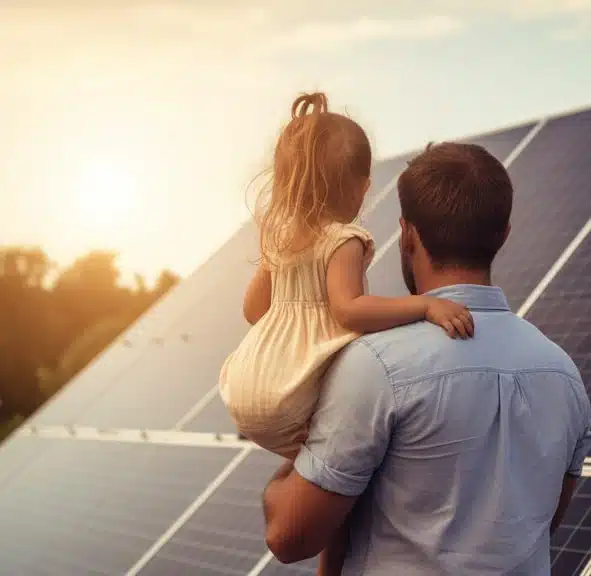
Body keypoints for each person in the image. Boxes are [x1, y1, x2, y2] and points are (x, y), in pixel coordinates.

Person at [261, 140, 591, 576]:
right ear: (504, 234)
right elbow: (542, 525)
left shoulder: (376, 366)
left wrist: (288, 464)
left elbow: (289, 536)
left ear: (408, 233)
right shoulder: (565, 376)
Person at [218, 93, 474, 576]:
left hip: (247, 385)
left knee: (329, 473)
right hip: (287, 395)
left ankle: (304, 495)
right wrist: (424, 306)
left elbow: (254, 309)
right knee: (350, 483)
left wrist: (288, 325)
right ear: (361, 186)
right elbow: (351, 309)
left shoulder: (281, 236)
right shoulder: (345, 239)